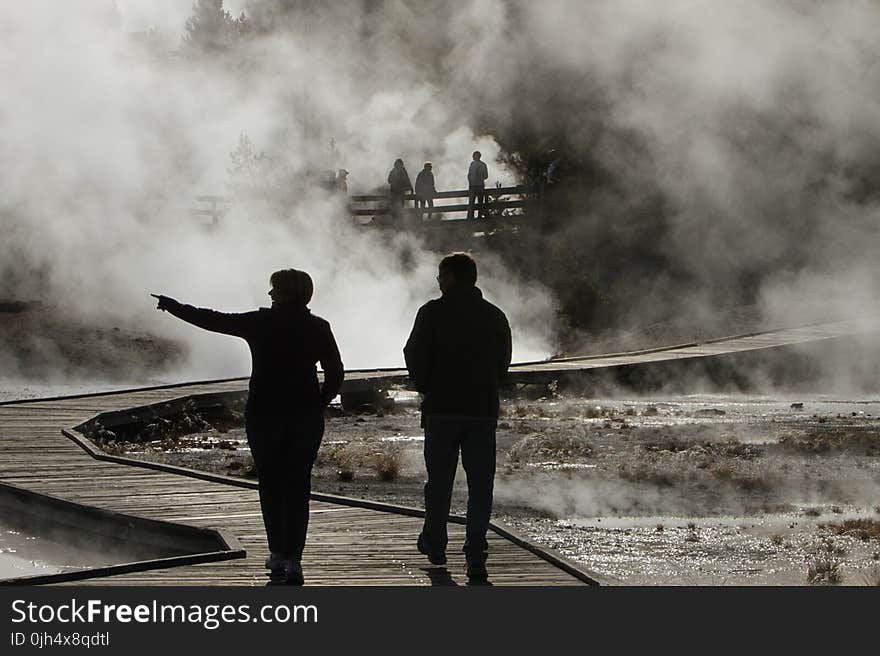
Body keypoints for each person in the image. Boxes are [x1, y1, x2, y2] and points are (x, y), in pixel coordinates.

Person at [151, 269, 344, 586]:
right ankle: (295, 559)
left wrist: (173, 306)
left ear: (282, 294)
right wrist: (319, 401)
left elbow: (213, 319)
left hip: (264, 414)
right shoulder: (318, 327)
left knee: (270, 484)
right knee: (298, 488)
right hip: (305, 417)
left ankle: (278, 554)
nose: (269, 295)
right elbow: (335, 372)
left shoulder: (260, 322)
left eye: (273, 290)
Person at [403, 252, 512, 581]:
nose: (438, 281)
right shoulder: (494, 316)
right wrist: (489, 385)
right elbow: (503, 360)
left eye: (440, 275)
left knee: (439, 482)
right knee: (481, 485)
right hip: (481, 411)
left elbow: (413, 353)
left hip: (441, 411)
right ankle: (475, 553)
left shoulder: (432, 313)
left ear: (451, 278)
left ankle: (436, 542)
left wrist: (425, 386)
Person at [466, 150, 488, 220]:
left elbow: (486, 176)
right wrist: (470, 181)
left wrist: (480, 176)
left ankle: (479, 217)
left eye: (474, 155)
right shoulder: (472, 164)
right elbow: (469, 174)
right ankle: (470, 217)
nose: (473, 157)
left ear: (478, 156)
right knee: (471, 202)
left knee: (479, 202)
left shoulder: (483, 165)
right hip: (473, 186)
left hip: (479, 186)